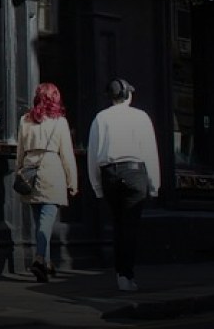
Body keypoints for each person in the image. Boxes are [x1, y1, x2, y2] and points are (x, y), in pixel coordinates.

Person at [87, 78, 160, 292]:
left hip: (109, 174)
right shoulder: (140, 117)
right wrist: (154, 184)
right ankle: (126, 275)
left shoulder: (100, 118)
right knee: (130, 227)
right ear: (127, 94)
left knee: (118, 225)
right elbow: (150, 152)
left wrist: (97, 186)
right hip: (135, 172)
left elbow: (93, 154)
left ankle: (121, 274)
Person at [16, 82, 78, 282]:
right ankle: (40, 258)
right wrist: (72, 181)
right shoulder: (60, 122)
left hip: (30, 170)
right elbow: (67, 155)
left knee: (40, 223)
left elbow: (20, 150)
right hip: (52, 171)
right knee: (46, 222)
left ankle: (47, 264)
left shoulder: (25, 120)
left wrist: (20, 171)